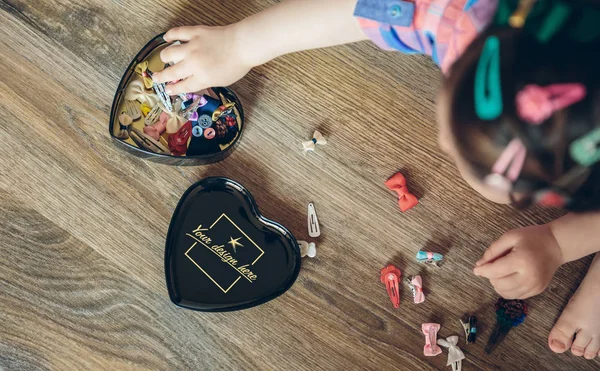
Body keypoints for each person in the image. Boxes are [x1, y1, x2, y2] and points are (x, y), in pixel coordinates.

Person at [152, 0, 600, 359]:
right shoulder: (459, 14)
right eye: (457, 137)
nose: (443, 141)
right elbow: (361, 7)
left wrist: (563, 242)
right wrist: (241, 44)